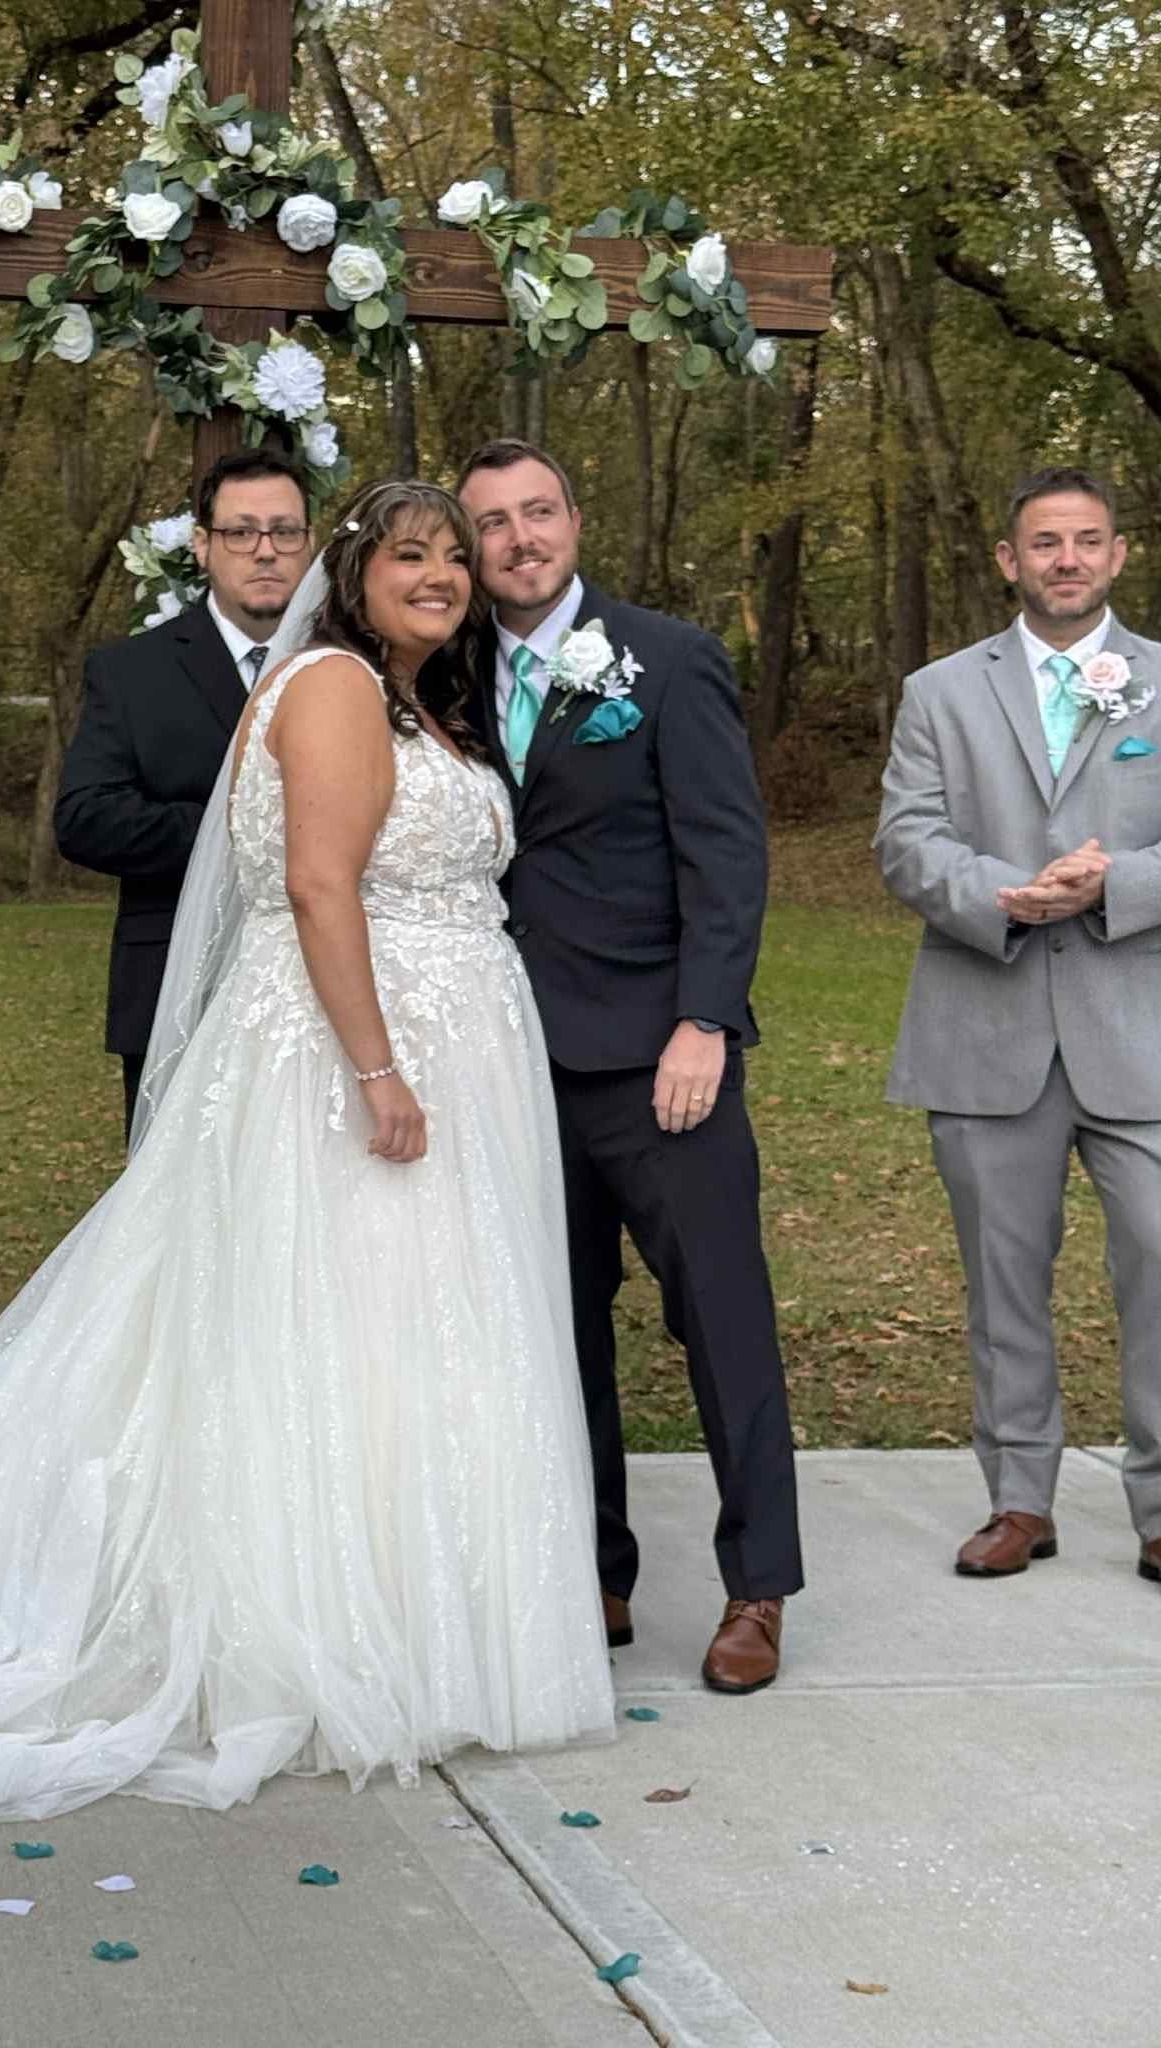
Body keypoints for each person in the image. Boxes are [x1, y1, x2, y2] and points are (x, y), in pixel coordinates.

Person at [0, 480, 615, 1821]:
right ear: (356, 570)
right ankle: (324, 1628)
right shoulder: (331, 688)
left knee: (396, 1335)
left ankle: (409, 1610)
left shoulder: (406, 696)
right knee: (340, 1331)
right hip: (349, 1066)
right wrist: (378, 1069)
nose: (442, 573)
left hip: (431, 1053)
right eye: (412, 555)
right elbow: (323, 886)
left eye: (456, 555)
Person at [455, 439, 802, 1695]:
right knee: (557, 1330)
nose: (519, 538)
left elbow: (728, 854)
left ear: (576, 519)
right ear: (473, 546)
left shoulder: (671, 659)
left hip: (663, 1060)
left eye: (537, 512)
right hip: (507, 1060)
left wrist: (705, 1021)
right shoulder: (441, 676)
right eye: (492, 522)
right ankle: (596, 1569)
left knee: (721, 1317)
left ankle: (758, 1582)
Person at [875, 465, 1161, 1587]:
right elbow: (906, 837)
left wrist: (1117, 886)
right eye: (1045, 543)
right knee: (1003, 1276)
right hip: (986, 1021)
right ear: (1009, 559)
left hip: (1139, 1029)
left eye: (1087, 540)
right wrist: (1003, 890)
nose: (1067, 560)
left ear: (1119, 553)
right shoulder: (939, 690)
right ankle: (1019, 1497)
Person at [55, 449, 315, 1140]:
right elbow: (84, 818)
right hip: (176, 991)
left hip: (321, 996)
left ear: (309, 545)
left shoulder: (351, 668)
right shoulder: (131, 672)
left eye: (285, 532)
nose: (265, 552)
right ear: (202, 546)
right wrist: (242, 834)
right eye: (241, 532)